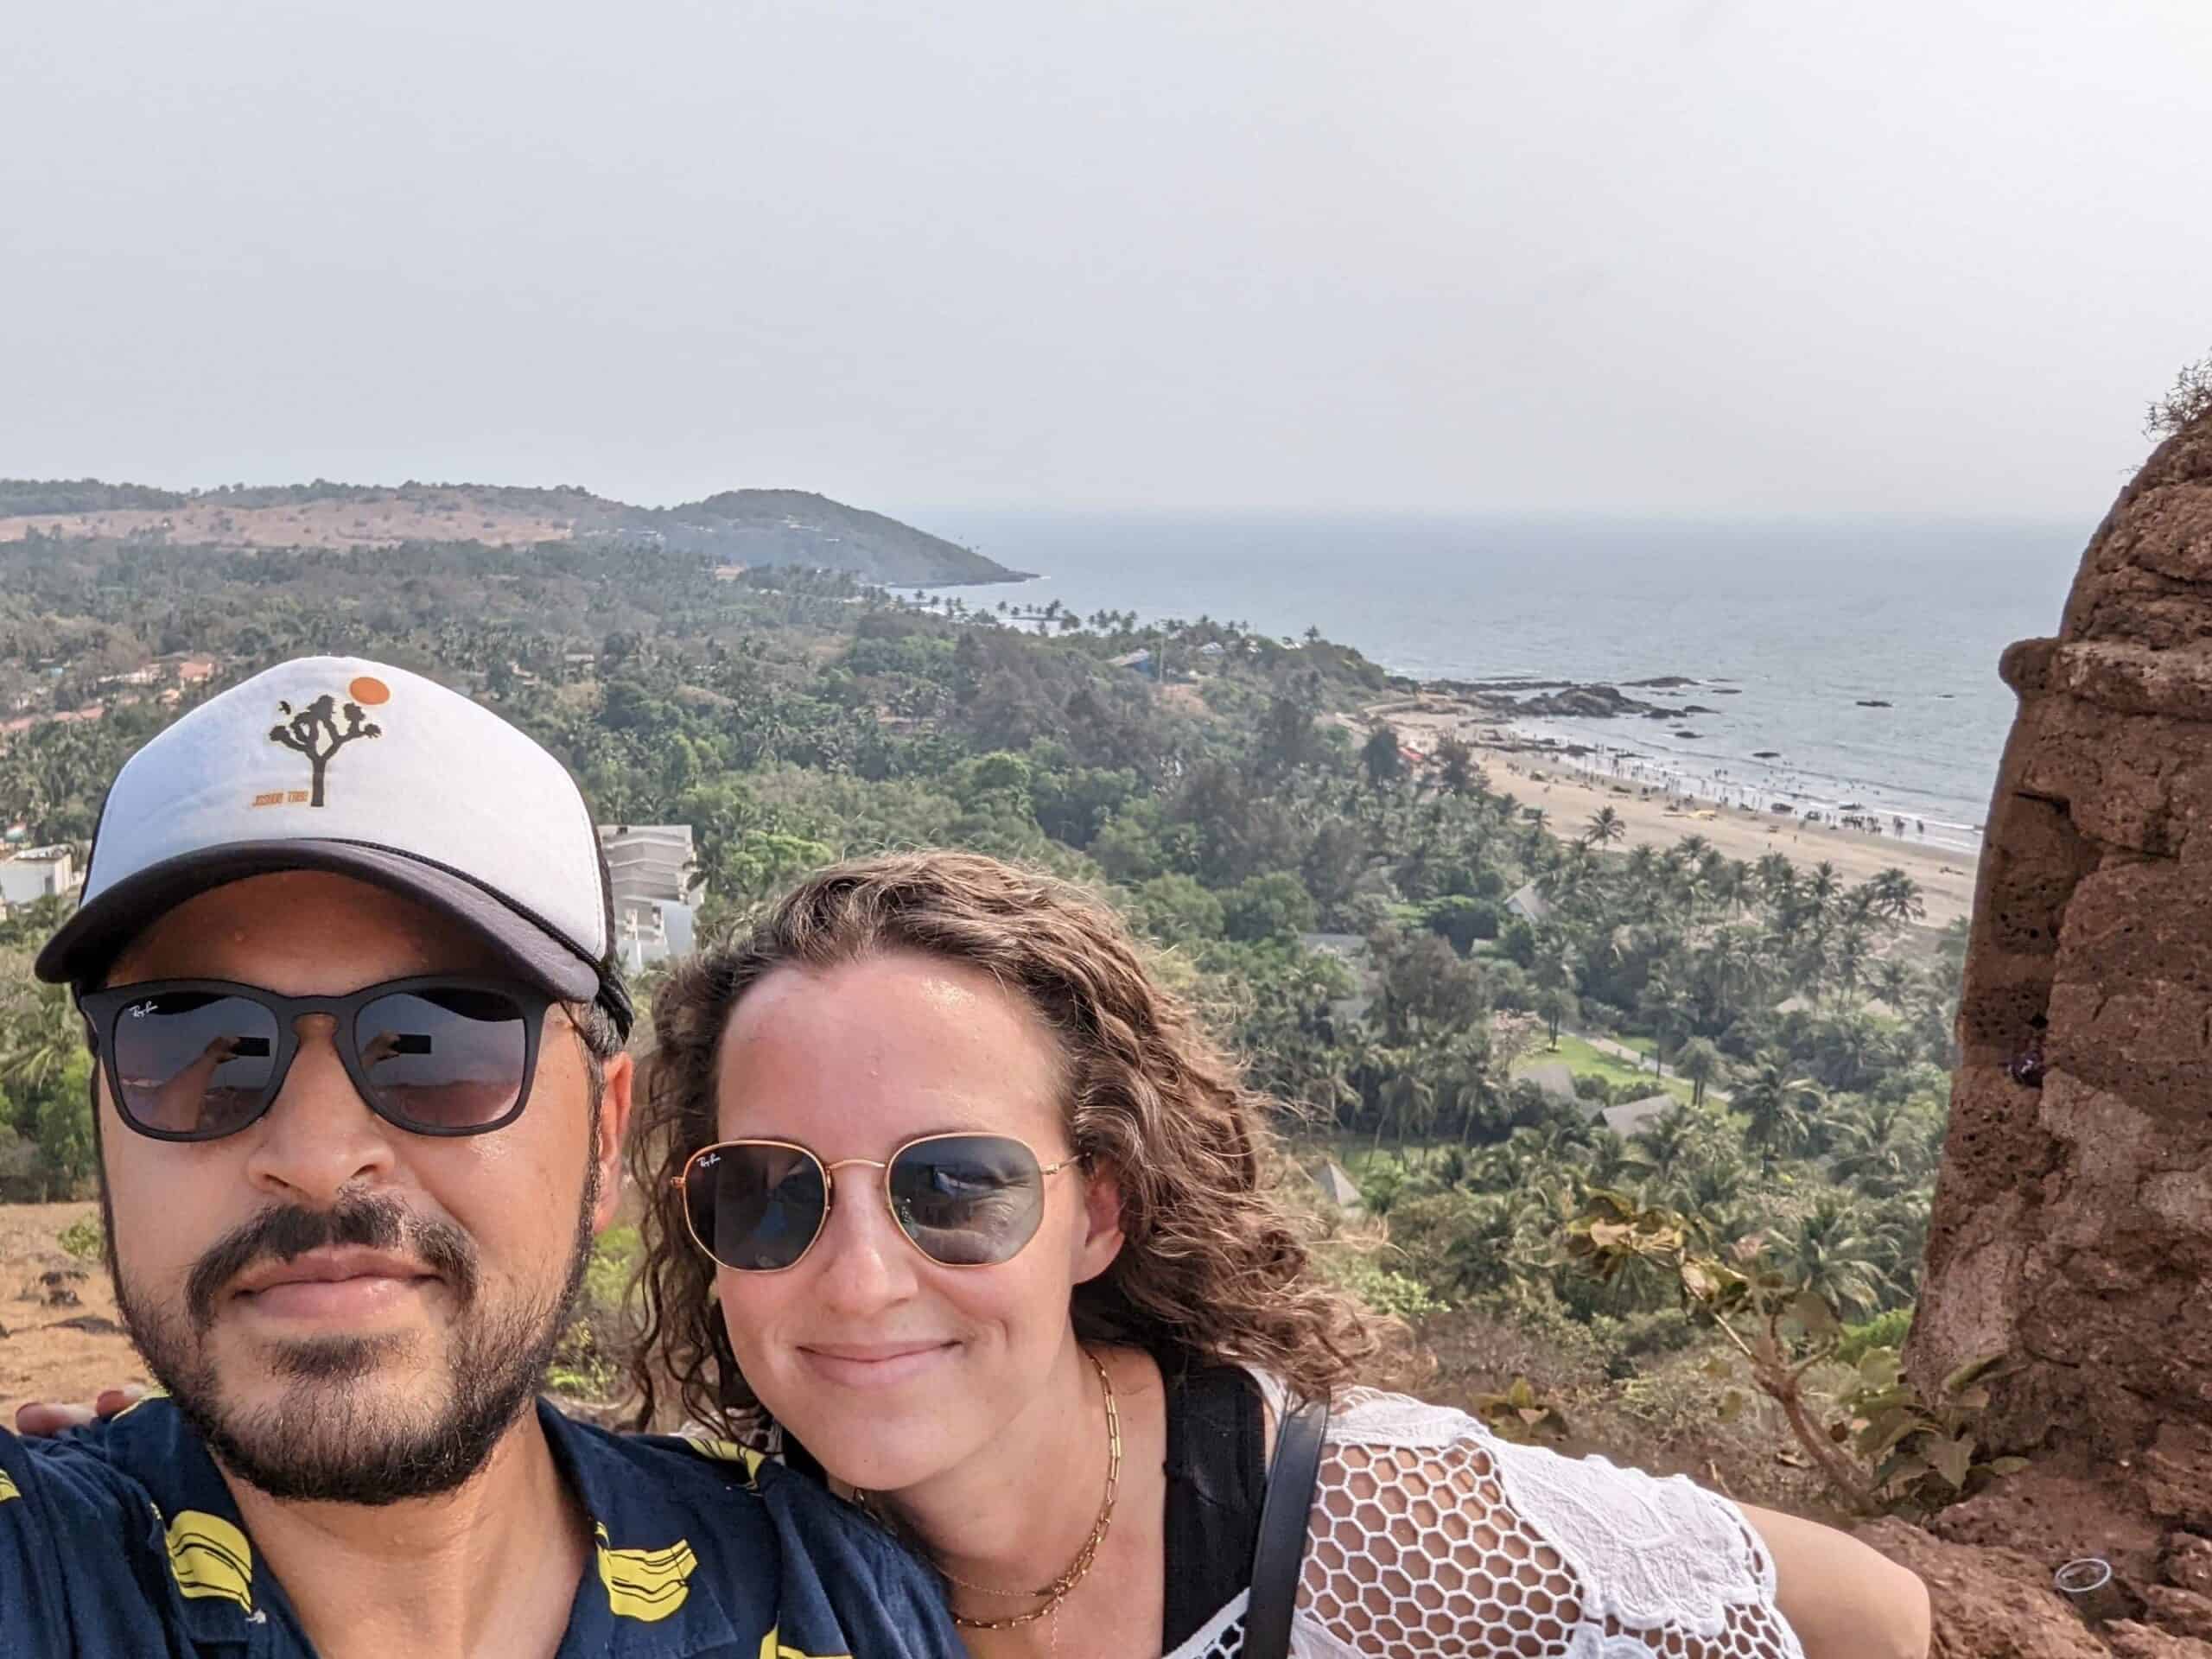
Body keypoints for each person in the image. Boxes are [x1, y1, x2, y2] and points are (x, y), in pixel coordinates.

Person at [629, 850, 1933, 1659]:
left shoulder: (1368, 1536)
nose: (859, 1278)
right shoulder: (727, 1561)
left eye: (955, 1186)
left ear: (1101, 1211)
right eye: (767, 1193)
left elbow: (1872, 1617)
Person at [0, 658, 963, 1659]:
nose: (321, 1161)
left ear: (603, 1138)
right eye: (196, 1046)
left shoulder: (835, 1596)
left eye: (438, 1045)